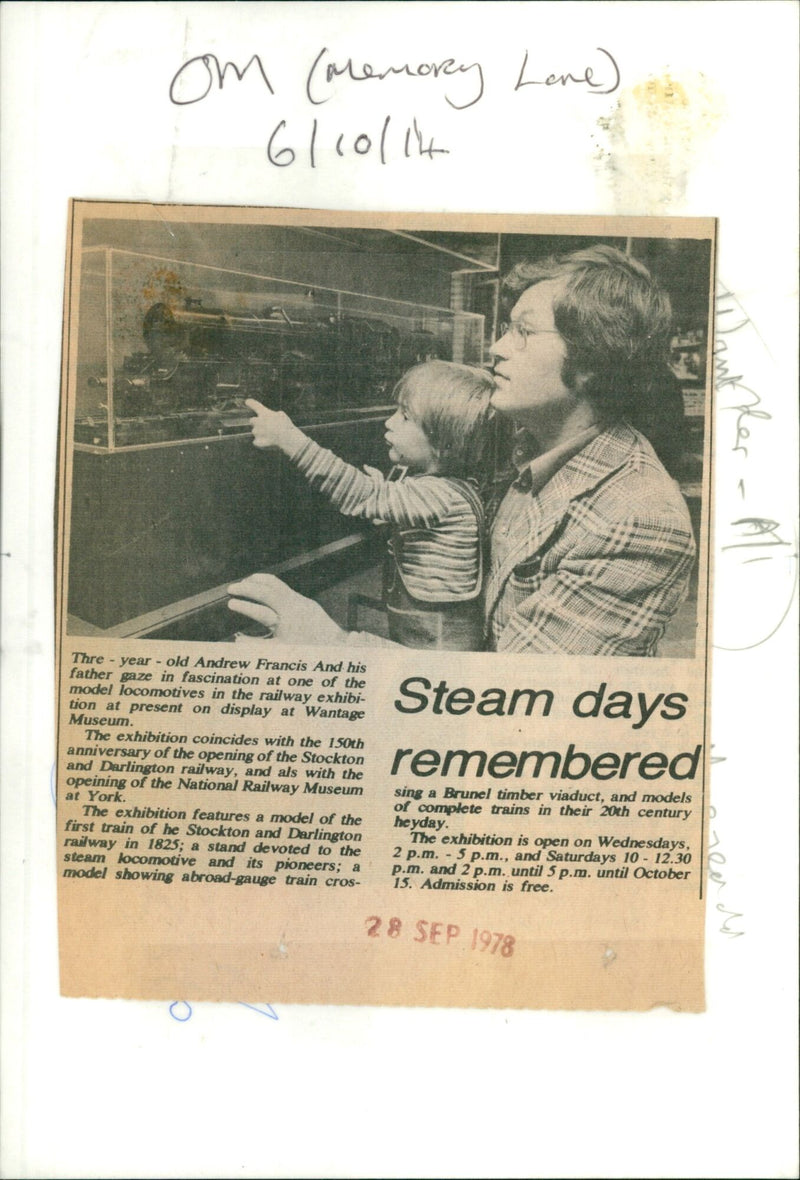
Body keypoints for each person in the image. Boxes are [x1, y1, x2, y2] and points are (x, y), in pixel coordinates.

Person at [229, 245, 696, 657]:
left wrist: (327, 646)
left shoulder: (638, 518)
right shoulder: (524, 443)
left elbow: (513, 702)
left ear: (593, 359)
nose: (496, 347)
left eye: (523, 332)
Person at [242, 359, 499, 649]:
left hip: (436, 648)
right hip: (423, 634)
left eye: (404, 416)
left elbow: (362, 494)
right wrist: (389, 502)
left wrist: (290, 440)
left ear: (443, 440)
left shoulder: (440, 496)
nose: (389, 422)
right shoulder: (450, 488)